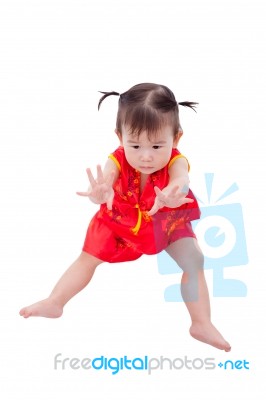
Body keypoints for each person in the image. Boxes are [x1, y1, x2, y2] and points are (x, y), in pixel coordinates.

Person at [19, 83, 231, 352]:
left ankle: (201, 322)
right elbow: (108, 177)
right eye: (135, 144)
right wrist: (101, 191)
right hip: (120, 218)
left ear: (176, 139)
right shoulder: (117, 159)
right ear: (120, 137)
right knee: (87, 259)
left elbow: (182, 179)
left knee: (194, 260)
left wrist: (173, 192)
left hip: (164, 219)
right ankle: (55, 301)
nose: (145, 156)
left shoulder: (176, 160)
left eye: (156, 145)